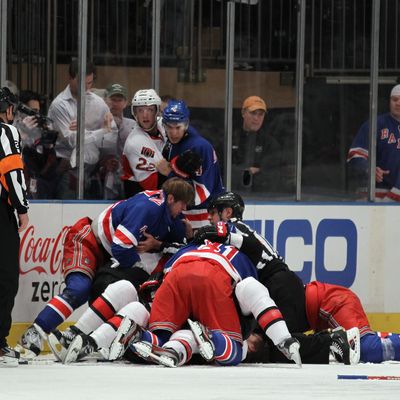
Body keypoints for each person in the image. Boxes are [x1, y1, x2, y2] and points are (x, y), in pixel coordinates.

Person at [17, 177, 194, 358]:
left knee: (111, 290)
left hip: (108, 253)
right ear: (171, 199)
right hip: (89, 241)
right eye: (183, 204)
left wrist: (166, 242)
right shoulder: (148, 208)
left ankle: (77, 338)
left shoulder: (171, 215)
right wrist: (138, 265)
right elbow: (120, 246)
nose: (185, 210)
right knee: (79, 289)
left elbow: (177, 246)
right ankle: (34, 334)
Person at [65, 240, 301, 367]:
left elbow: (161, 279)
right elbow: (253, 292)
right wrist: (281, 336)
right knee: (233, 348)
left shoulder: (187, 249)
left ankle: (132, 336)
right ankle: (279, 340)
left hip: (175, 277)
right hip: (215, 278)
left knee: (161, 334)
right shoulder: (238, 255)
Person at [193, 191, 358, 365]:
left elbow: (253, 247)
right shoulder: (234, 231)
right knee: (267, 346)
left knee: (279, 348)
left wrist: (219, 233)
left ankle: (334, 342)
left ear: (227, 212)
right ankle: (331, 343)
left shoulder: (233, 227)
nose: (209, 218)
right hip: (278, 286)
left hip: (279, 286)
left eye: (212, 213)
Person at [48, 59, 118, 199]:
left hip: (94, 171)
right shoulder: (59, 105)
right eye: (81, 83)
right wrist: (101, 131)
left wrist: (82, 129)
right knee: (67, 217)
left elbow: (112, 138)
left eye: (89, 83)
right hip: (67, 171)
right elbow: (72, 141)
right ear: (70, 78)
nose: (86, 88)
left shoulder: (98, 103)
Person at [156, 99, 224, 228]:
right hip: (181, 213)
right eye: (169, 127)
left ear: (186, 124)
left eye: (178, 127)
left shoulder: (199, 147)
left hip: (205, 217)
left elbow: (200, 194)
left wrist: (169, 173)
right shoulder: (171, 143)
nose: (173, 133)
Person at [0, 87, 30, 366]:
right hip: (1, 214)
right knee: (5, 277)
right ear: (8, 109)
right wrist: (21, 207)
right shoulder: (6, 131)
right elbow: (11, 170)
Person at [347, 84, 400, 201]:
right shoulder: (375, 124)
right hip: (374, 194)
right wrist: (369, 169)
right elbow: (355, 155)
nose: (398, 103)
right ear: (389, 101)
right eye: (395, 99)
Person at [121, 89, 167, 197]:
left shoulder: (163, 124)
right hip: (139, 197)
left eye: (150, 110)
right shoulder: (135, 142)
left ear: (157, 111)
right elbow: (153, 185)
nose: (145, 115)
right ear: (134, 113)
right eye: (140, 110)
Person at [232, 96, 282, 194]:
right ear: (243, 113)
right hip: (233, 193)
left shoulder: (270, 143)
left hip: (262, 197)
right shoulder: (230, 138)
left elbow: (275, 172)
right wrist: (244, 171)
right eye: (253, 113)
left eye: (260, 114)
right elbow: (221, 168)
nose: (256, 118)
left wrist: (259, 172)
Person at [101, 84, 136, 199]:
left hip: (127, 178)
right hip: (100, 178)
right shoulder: (97, 124)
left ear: (126, 103)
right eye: (112, 99)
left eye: (119, 100)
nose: (115, 103)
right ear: (105, 100)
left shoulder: (133, 126)